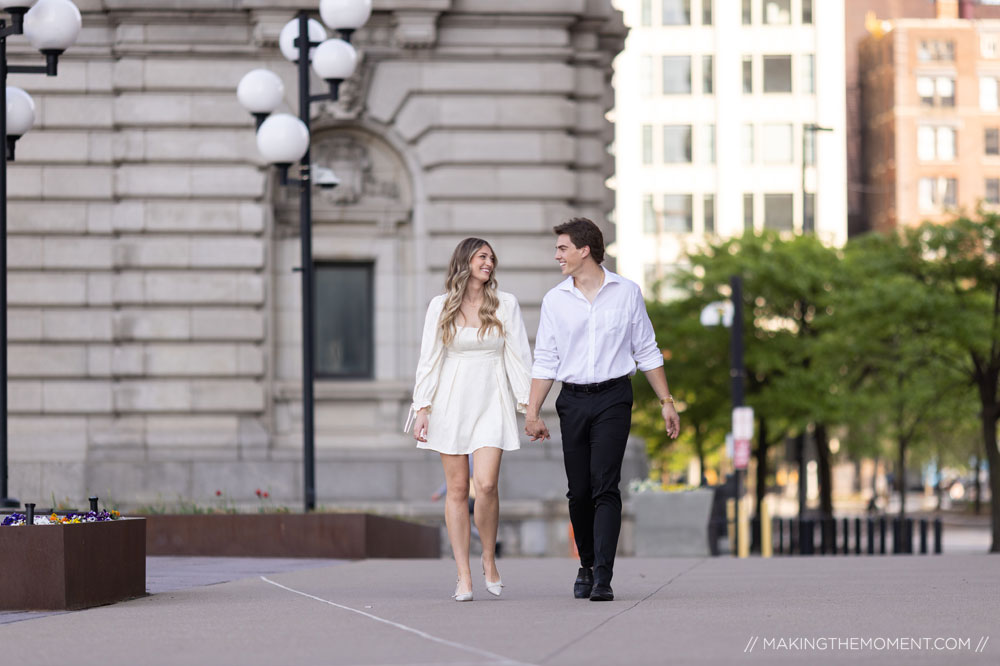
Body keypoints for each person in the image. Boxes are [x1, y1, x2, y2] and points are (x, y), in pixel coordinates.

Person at [525, 218, 680, 602]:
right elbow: (545, 360)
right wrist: (532, 413)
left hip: (614, 396)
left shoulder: (627, 293)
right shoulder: (554, 300)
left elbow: (646, 349)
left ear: (585, 250)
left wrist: (667, 402)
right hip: (573, 399)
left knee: (604, 484)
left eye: (563, 248)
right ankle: (587, 565)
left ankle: (603, 577)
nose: (557, 254)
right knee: (578, 492)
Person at [408, 237, 531, 602]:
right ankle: (463, 575)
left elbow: (519, 356)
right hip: (451, 401)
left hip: (492, 398)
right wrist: (422, 407)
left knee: (487, 484)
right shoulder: (441, 306)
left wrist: (529, 407)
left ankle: (489, 558)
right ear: (465, 261)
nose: (489, 263)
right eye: (482, 257)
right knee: (458, 489)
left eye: (492, 258)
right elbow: (429, 358)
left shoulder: (505, 303)